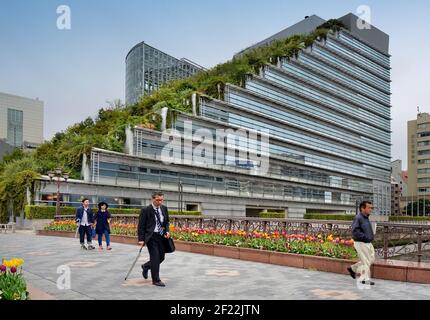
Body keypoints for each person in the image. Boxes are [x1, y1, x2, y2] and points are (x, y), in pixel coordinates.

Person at [138, 191, 171, 287]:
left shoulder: (164, 208)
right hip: (151, 237)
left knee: (161, 257)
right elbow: (141, 226)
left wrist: (167, 231)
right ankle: (156, 280)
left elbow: (167, 222)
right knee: (155, 257)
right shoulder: (146, 210)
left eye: (161, 200)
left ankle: (146, 266)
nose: (160, 202)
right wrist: (141, 239)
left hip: (161, 236)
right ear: (152, 199)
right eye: (158, 200)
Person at [347, 200, 376, 285]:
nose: (371, 209)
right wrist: (366, 237)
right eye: (369, 208)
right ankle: (365, 279)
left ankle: (353, 269)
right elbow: (355, 232)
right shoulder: (358, 218)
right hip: (361, 242)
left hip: (368, 242)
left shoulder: (366, 218)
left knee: (371, 259)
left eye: (371, 208)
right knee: (366, 261)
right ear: (362, 208)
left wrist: (369, 238)